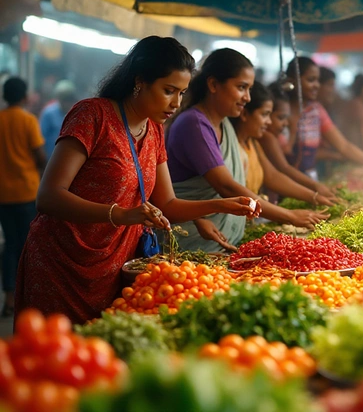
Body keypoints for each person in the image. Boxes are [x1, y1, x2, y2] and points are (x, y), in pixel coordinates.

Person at [15, 37, 258, 324]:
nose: (177, 103)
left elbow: (168, 203)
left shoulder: (154, 130)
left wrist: (225, 205)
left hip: (116, 267)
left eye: (182, 93)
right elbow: (49, 196)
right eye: (169, 91)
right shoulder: (93, 115)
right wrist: (123, 214)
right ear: (139, 81)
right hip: (63, 264)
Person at [166, 49, 328, 253]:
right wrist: (290, 216)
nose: (247, 98)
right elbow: (228, 187)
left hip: (220, 241)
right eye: (241, 87)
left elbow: (272, 175)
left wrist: (314, 196)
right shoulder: (194, 124)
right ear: (213, 84)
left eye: (249, 89)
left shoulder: (223, 123)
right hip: (192, 243)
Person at [284, 57, 363, 179]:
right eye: (311, 80)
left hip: (310, 179)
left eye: (317, 80)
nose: (316, 85)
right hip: (286, 182)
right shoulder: (281, 112)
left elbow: (344, 146)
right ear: (292, 81)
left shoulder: (316, 110)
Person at [230, 81, 335, 205]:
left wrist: (314, 195)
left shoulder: (253, 144)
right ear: (245, 114)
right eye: (265, 115)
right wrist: (313, 194)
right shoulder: (236, 144)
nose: (268, 122)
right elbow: (281, 170)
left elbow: (273, 177)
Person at [0, 77, 46, 317]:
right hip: (27, 192)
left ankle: (8, 298)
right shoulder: (28, 120)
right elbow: (40, 156)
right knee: (28, 246)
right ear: (24, 96)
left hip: (3, 195)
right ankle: (27, 301)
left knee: (10, 246)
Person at [258, 85, 338, 202]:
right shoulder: (268, 137)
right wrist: (315, 188)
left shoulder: (274, 137)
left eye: (286, 118)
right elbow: (284, 168)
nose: (286, 123)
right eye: (280, 118)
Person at [39, 79, 79, 159]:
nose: (67, 102)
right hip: (51, 159)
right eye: (65, 99)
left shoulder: (77, 113)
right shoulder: (49, 113)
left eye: (69, 99)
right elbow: (41, 138)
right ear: (59, 99)